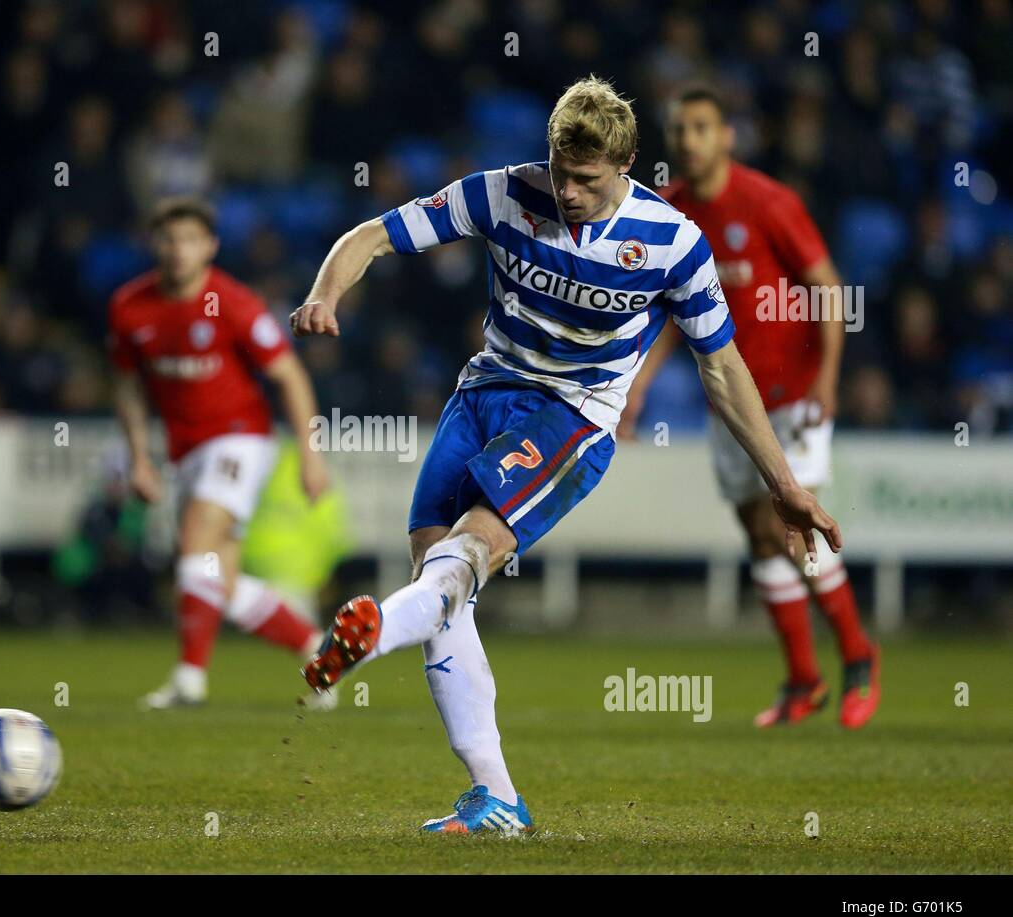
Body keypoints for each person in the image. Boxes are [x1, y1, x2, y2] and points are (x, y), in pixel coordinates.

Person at [291, 76, 842, 834]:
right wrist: (326, 293)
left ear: (626, 165)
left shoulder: (673, 242)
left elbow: (722, 366)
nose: (571, 191)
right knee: (439, 578)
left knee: (467, 553)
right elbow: (374, 235)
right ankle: (498, 799)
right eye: (561, 172)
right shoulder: (501, 193)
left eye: (587, 179)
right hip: (483, 391)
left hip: (575, 415)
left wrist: (782, 481)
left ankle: (372, 631)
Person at [620, 87, 879, 729]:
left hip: (792, 399)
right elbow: (672, 316)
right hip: (730, 406)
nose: (688, 140)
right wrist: (640, 384)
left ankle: (857, 657)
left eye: (702, 127)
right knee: (760, 536)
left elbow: (827, 290)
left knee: (796, 524)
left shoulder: (769, 203)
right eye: (680, 129)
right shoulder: (672, 212)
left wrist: (827, 378)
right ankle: (802, 679)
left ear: (727, 136)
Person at [109, 197, 334, 709]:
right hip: (185, 451)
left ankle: (189, 679)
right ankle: (321, 652)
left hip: (239, 439)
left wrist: (310, 453)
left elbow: (290, 376)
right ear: (154, 244)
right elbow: (125, 385)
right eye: (168, 239)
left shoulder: (231, 302)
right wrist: (140, 458)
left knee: (194, 547)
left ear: (209, 246)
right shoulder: (129, 306)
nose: (178, 251)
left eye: (189, 240)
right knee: (216, 580)